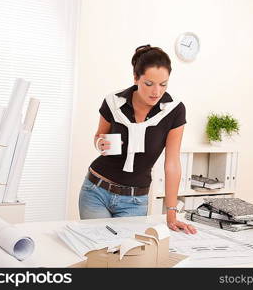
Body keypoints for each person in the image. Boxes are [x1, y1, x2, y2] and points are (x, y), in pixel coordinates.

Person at [79, 44, 196, 234]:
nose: (156, 92)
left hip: (134, 201)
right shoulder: (113, 102)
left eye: (163, 84)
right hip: (96, 191)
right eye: (149, 84)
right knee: (100, 253)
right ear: (135, 78)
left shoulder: (174, 110)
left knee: (127, 256)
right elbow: (98, 137)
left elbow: (172, 163)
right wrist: (100, 143)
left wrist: (171, 213)